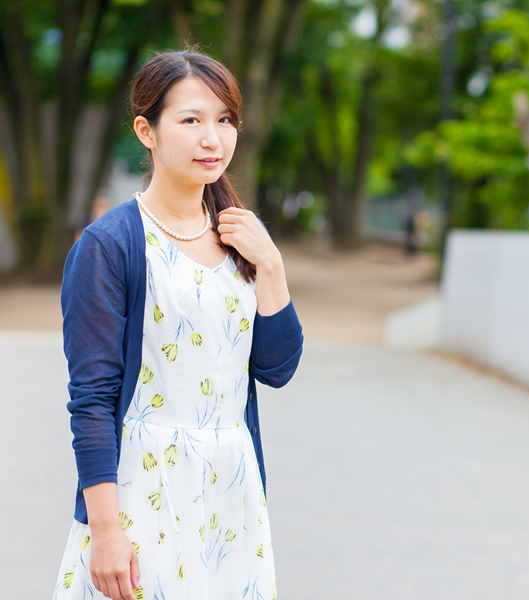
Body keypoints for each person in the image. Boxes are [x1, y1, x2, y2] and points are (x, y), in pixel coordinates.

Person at [52, 48, 303, 600]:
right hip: (144, 488)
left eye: (225, 120)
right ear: (147, 131)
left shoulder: (243, 235)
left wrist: (271, 264)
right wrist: (107, 531)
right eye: (190, 120)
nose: (212, 139)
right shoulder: (110, 245)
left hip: (231, 493)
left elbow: (277, 367)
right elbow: (91, 399)